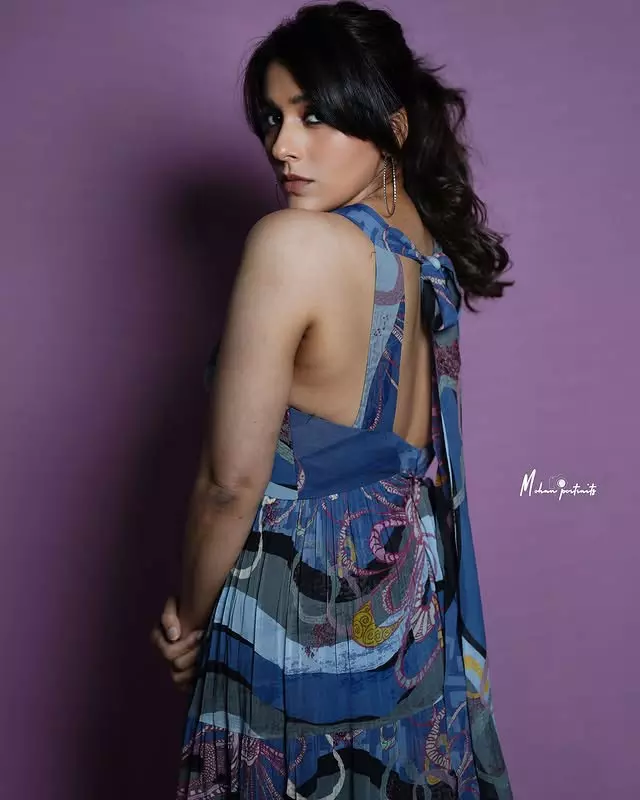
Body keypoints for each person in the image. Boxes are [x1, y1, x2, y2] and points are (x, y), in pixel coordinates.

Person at [150, 1, 515, 797]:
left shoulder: (294, 243)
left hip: (297, 606)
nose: (282, 145)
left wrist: (192, 623)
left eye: (313, 115)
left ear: (391, 124)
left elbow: (228, 484)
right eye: (273, 119)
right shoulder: (426, 253)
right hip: (410, 601)